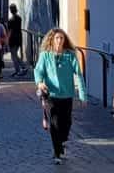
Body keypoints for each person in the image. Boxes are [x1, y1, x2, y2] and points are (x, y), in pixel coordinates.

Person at [34, 28, 86, 165]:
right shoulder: (45, 55)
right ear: (52, 40)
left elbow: (79, 75)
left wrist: (82, 95)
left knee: (67, 123)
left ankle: (61, 141)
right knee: (55, 124)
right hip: (51, 95)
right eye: (57, 38)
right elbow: (38, 71)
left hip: (67, 95)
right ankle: (57, 152)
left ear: (64, 40)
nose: (59, 41)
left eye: (61, 38)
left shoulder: (70, 55)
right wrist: (40, 83)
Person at [7, 3, 26, 76]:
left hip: (12, 38)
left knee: (14, 55)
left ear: (11, 10)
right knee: (14, 54)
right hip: (18, 37)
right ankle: (18, 69)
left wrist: (7, 39)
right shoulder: (19, 18)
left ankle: (22, 67)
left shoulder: (10, 20)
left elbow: (10, 31)